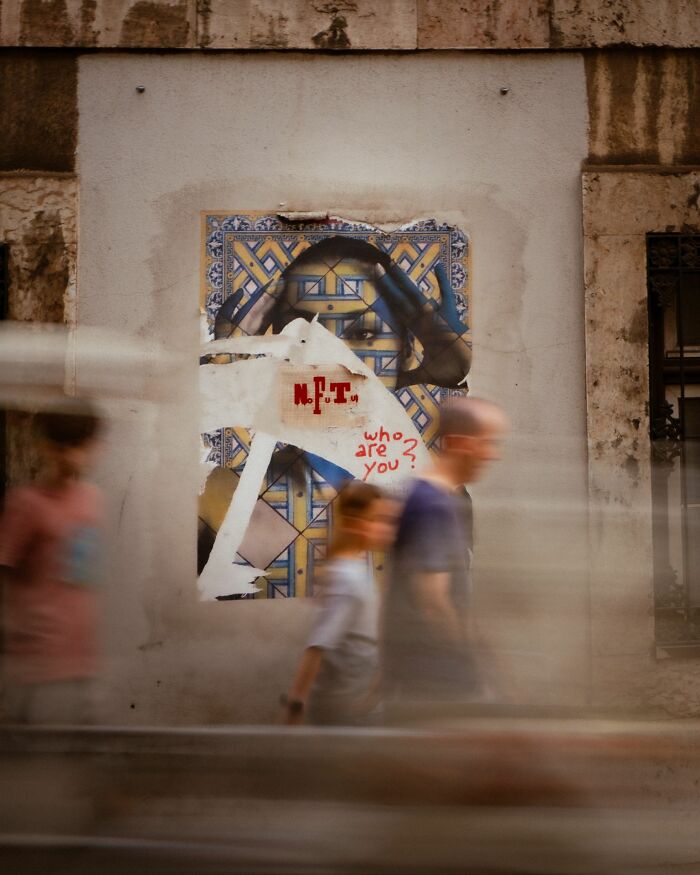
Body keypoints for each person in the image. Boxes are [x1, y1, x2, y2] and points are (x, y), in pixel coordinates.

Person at [382, 397, 508, 704]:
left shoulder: (436, 497)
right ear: (457, 443)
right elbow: (432, 602)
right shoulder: (433, 505)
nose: (493, 455)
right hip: (439, 681)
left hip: (424, 675)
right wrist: (472, 665)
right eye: (487, 443)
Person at [0, 399, 103, 724]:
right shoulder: (25, 504)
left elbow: (82, 575)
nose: (73, 457)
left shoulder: (91, 500)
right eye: (63, 447)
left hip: (80, 658)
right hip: (33, 663)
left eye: (81, 446)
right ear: (46, 448)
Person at [282, 481, 397, 725]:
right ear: (357, 524)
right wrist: (296, 703)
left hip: (358, 702)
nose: (387, 529)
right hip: (345, 704)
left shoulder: (354, 570)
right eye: (379, 520)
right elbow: (318, 644)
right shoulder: (347, 577)